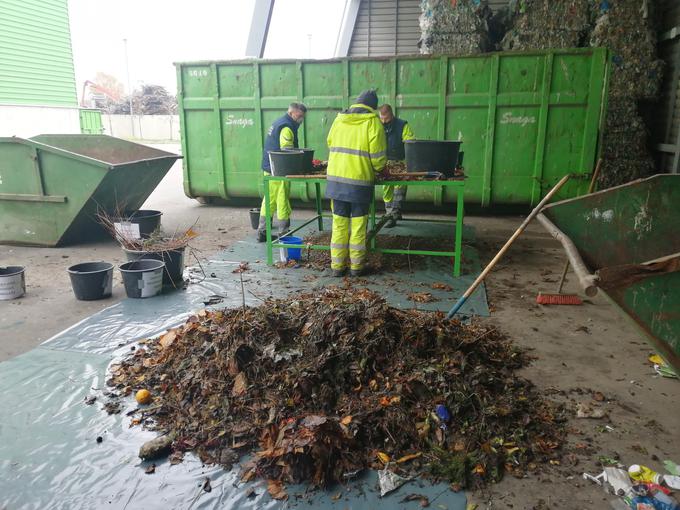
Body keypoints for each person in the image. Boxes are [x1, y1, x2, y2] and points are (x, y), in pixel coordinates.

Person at [326, 90, 387, 277]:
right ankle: (357, 267)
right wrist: (382, 169)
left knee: (339, 224)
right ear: (373, 107)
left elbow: (330, 143)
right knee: (358, 226)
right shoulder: (372, 122)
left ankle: (337, 267)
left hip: (336, 181)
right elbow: (378, 159)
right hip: (359, 183)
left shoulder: (339, 120)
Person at [257, 102, 307, 242]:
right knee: (282, 199)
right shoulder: (286, 127)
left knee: (269, 200)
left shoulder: (279, 122)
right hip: (280, 169)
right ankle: (283, 232)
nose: (301, 119)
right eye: (300, 116)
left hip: (269, 167)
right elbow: (287, 151)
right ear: (292, 113)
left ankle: (262, 231)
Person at [379, 104, 415, 228]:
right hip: (383, 163)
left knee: (400, 187)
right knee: (386, 188)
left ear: (392, 115)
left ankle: (395, 212)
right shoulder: (377, 126)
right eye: (381, 119)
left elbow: (410, 142)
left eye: (386, 119)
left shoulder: (402, 125)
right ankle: (390, 213)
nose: (384, 122)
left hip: (400, 162)